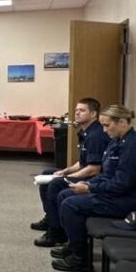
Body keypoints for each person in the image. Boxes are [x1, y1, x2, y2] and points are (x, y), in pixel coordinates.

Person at [51, 105, 136, 272]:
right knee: (64, 194)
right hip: (118, 194)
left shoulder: (132, 148)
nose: (104, 130)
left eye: (107, 125)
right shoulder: (117, 141)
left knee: (70, 205)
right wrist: (89, 184)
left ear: (122, 122)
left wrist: (91, 188)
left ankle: (80, 259)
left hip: (129, 200)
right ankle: (74, 244)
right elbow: (107, 174)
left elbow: (121, 185)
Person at [32, 98, 108, 248]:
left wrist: (69, 177)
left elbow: (94, 168)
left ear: (93, 114)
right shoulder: (86, 132)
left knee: (56, 184)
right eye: (76, 110)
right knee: (49, 173)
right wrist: (65, 171)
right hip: (87, 172)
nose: (77, 113)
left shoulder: (96, 135)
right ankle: (51, 218)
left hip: (94, 178)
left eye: (82, 110)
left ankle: (57, 232)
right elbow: (83, 162)